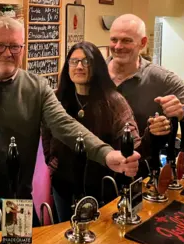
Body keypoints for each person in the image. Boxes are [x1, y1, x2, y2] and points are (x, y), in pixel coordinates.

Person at [0, 16, 141, 231]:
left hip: (17, 201)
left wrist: (106, 154)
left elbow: (64, 124)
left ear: (23, 47)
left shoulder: (36, 86)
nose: (7, 53)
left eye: (14, 46)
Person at [42, 41, 148, 222]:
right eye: (74, 62)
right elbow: (46, 135)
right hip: (64, 186)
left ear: (97, 66)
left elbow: (132, 142)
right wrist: (53, 165)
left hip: (102, 188)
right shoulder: (57, 99)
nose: (80, 67)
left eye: (86, 62)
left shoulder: (113, 101)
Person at [108, 14, 184, 136]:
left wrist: (182, 111)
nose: (118, 46)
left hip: (140, 153)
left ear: (143, 43)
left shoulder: (160, 76)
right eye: (114, 40)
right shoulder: (94, 71)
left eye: (126, 40)